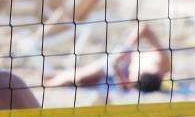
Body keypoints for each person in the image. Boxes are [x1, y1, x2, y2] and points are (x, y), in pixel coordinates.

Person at [44, 23, 172, 92]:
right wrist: (125, 51)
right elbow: (144, 28)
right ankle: (45, 84)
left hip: (116, 72)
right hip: (119, 59)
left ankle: (51, 78)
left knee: (81, 82)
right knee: (79, 78)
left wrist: (119, 74)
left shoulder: (145, 82)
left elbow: (126, 85)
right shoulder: (163, 60)